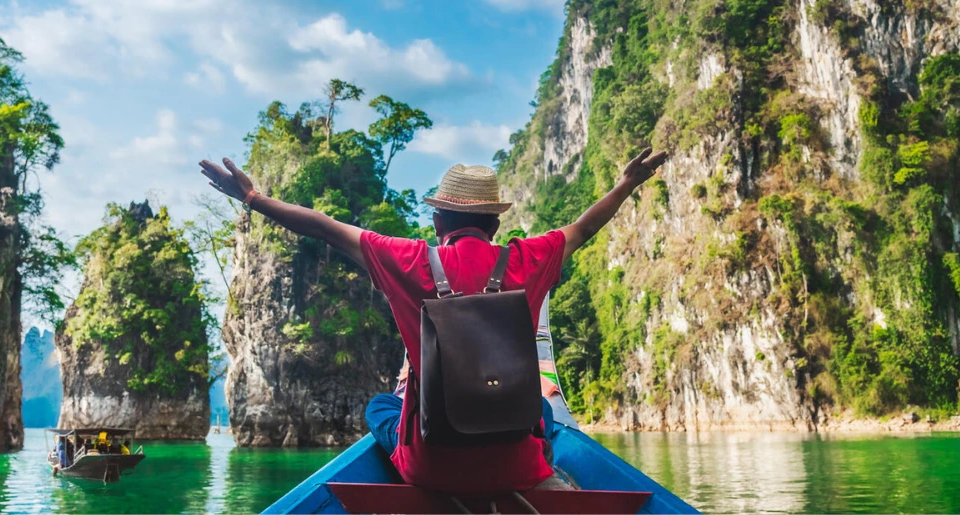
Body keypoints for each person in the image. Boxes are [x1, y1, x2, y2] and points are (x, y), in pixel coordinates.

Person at [198, 147, 667, 494]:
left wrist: (253, 197)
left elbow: (321, 225)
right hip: (520, 469)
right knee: (543, 411)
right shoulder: (530, 258)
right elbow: (584, 228)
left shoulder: (411, 261)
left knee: (381, 407)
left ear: (439, 221)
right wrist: (626, 184)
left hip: (430, 469)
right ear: (495, 225)